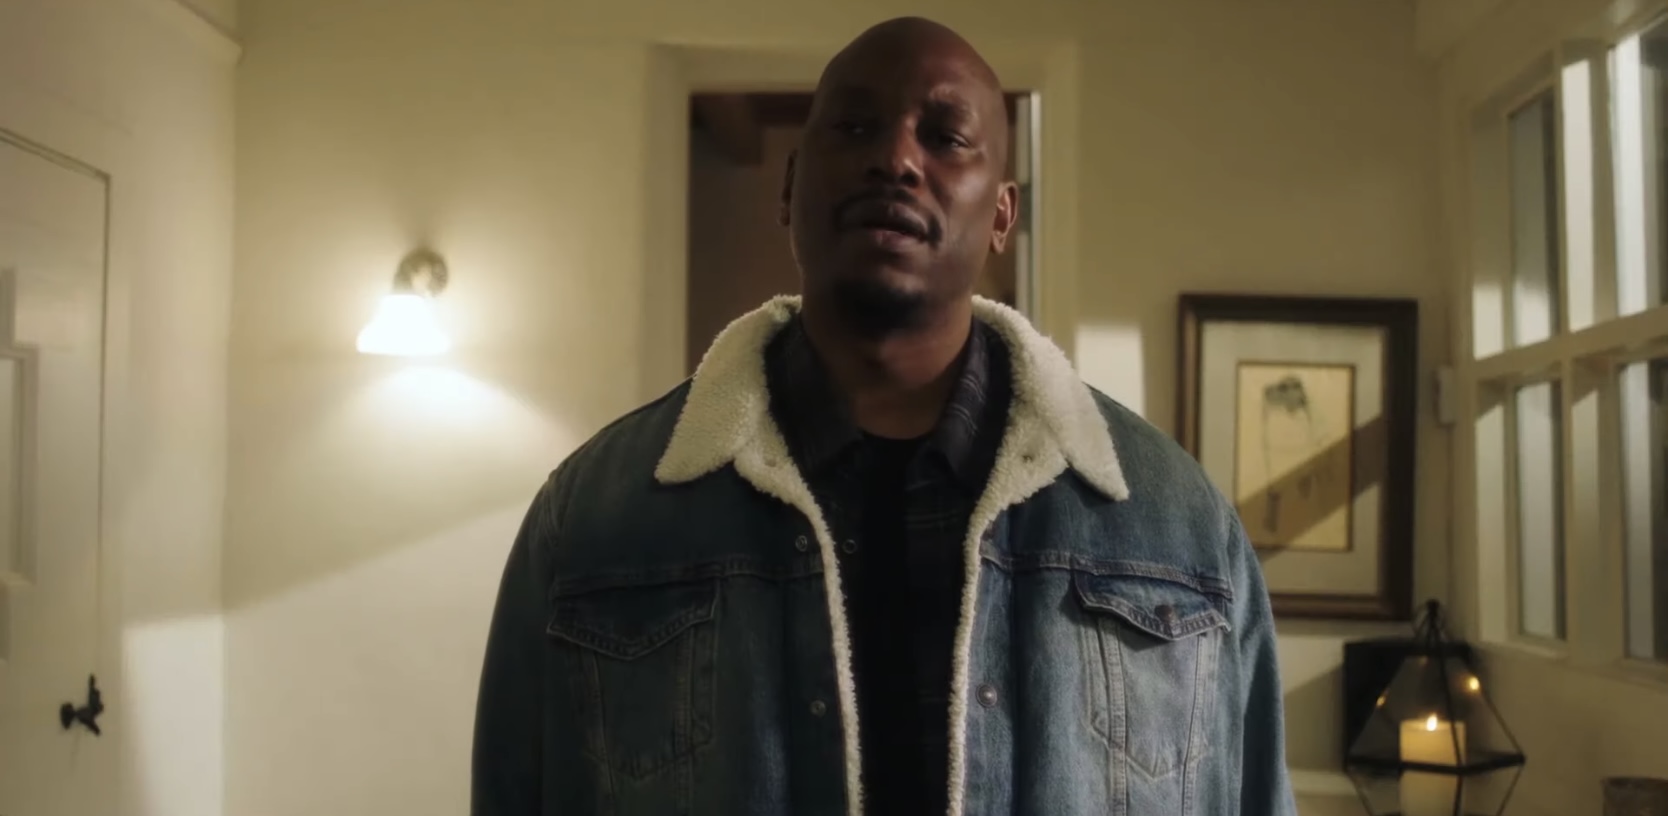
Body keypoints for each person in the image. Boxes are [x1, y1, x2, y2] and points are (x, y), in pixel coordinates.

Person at [472, 16, 1296, 816]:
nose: (896, 159)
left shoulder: (1177, 528)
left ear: (1002, 215)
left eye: (946, 137)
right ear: (791, 186)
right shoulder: (595, 520)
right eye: (856, 126)